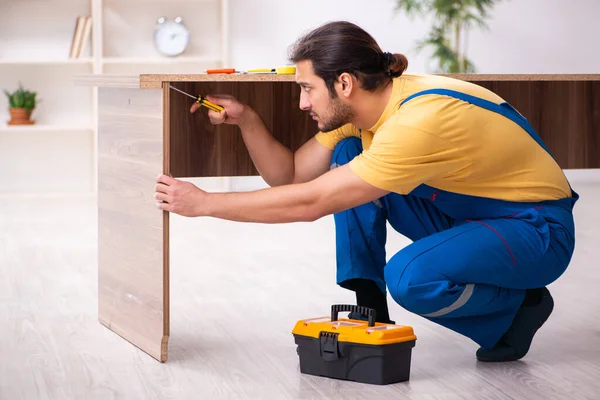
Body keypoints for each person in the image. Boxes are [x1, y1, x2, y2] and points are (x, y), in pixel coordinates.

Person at [154, 21, 578, 362]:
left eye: (306, 88)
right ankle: (370, 305)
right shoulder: (367, 109)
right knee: (349, 153)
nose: (302, 104)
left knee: (412, 278)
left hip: (535, 230)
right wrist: (246, 118)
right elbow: (293, 177)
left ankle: (518, 310)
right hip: (468, 211)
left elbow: (311, 202)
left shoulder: (417, 121)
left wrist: (206, 204)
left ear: (343, 83)